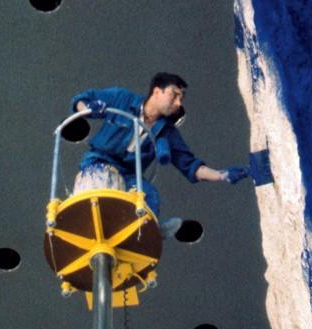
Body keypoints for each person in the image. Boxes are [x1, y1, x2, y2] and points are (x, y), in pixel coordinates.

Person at [70, 73, 250, 237]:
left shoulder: (166, 132)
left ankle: (143, 235)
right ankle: (97, 224)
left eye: (181, 98)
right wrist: (89, 108)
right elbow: (81, 100)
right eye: (174, 95)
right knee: (103, 184)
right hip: (99, 162)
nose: (179, 103)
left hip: (129, 175)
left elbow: (191, 166)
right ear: (157, 92)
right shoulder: (122, 99)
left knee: (148, 196)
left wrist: (222, 175)